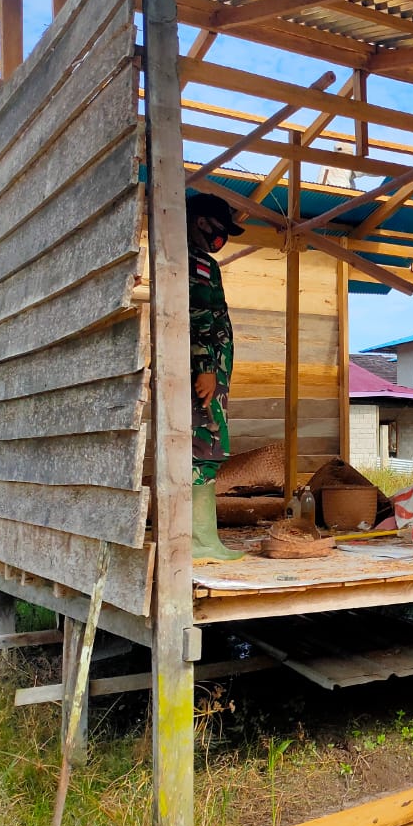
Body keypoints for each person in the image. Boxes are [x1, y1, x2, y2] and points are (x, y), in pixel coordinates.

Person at [187, 192, 246, 562]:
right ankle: (199, 541)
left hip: (208, 373)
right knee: (203, 449)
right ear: (201, 222)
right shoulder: (197, 264)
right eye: (219, 228)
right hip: (202, 374)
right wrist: (206, 366)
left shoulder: (198, 261)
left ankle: (203, 539)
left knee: (206, 450)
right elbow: (198, 315)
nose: (221, 237)